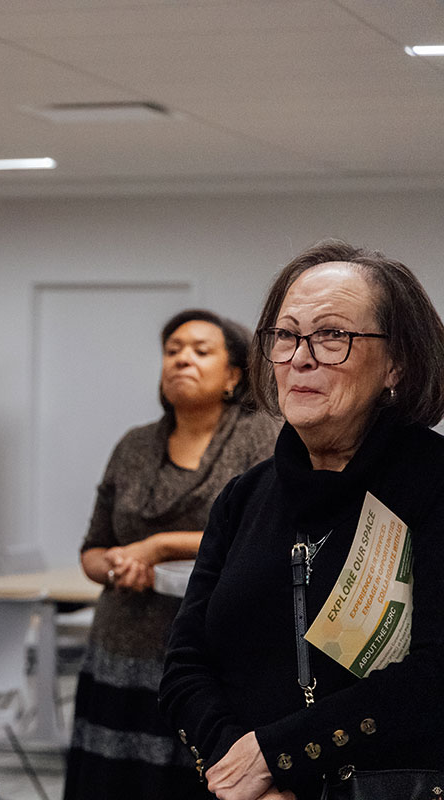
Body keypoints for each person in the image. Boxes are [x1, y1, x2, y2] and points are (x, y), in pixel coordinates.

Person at [159, 240, 444, 800]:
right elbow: (185, 664)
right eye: (286, 335)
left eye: (333, 335)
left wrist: (277, 756)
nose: (301, 356)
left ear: (398, 363)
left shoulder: (432, 486)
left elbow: (435, 675)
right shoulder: (244, 497)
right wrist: (244, 774)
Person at [64, 309, 280, 800]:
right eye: (172, 350)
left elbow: (260, 535)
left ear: (233, 374)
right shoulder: (134, 444)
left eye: (201, 351)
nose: (182, 359)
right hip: (122, 650)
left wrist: (158, 546)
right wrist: (119, 565)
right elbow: (92, 551)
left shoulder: (261, 436)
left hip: (212, 655)